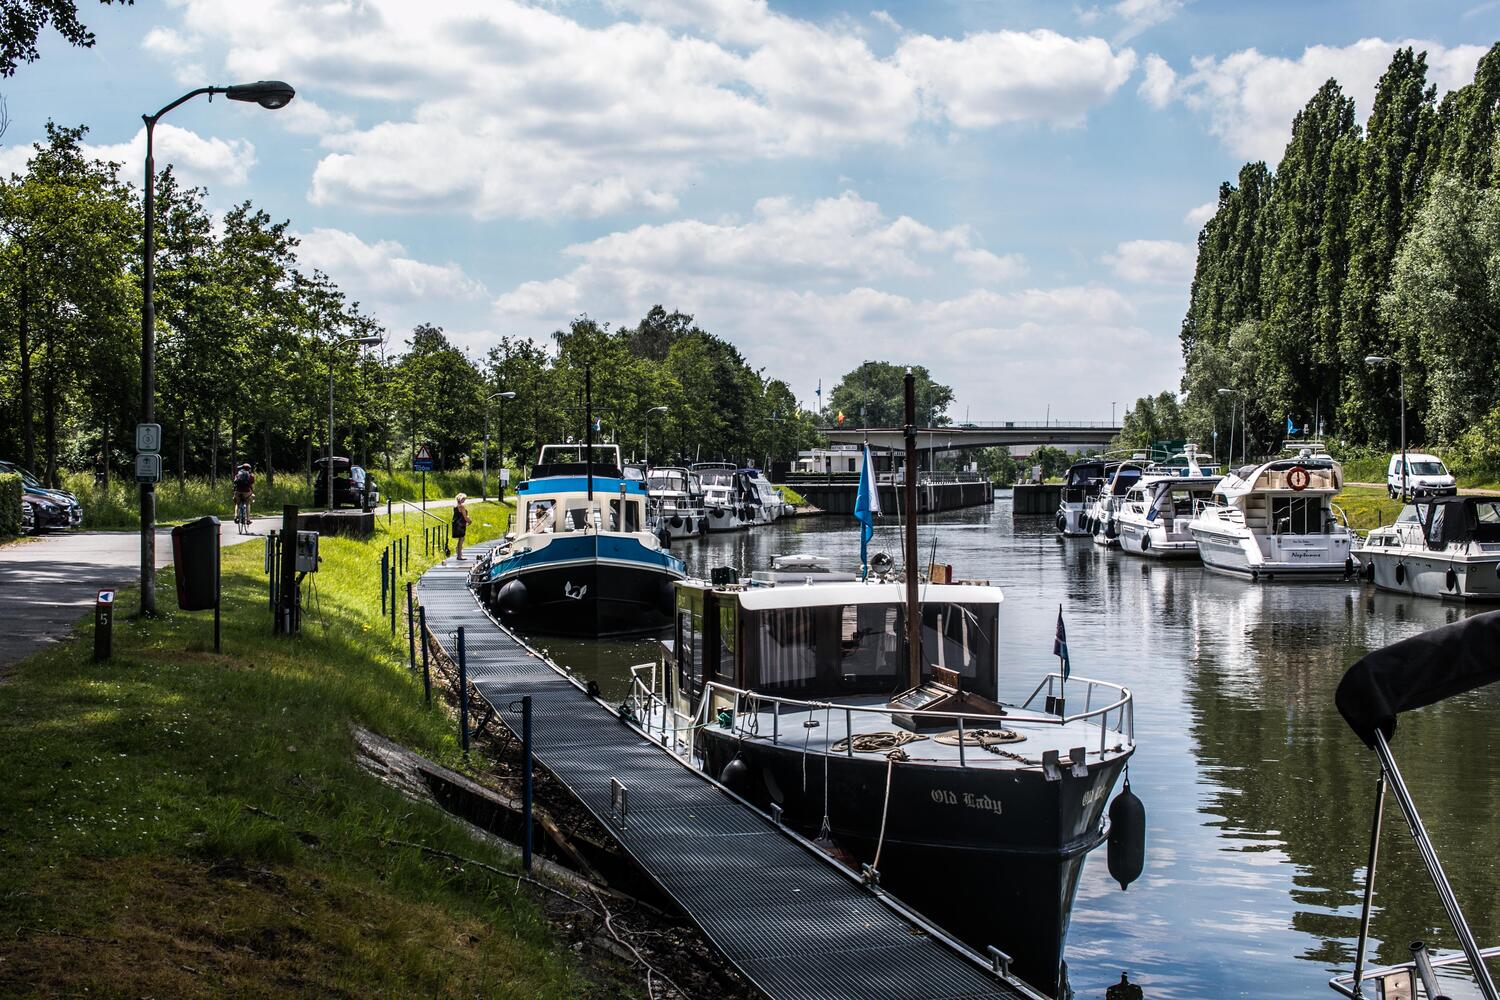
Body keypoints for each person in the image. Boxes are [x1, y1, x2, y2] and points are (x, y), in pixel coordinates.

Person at [232, 463, 255, 530]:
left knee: (237, 503)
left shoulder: (238, 475)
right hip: (246, 492)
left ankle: (236, 516)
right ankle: (248, 519)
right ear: (249, 469)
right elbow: (251, 484)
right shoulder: (250, 476)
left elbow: (235, 483)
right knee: (248, 503)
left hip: (238, 492)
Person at [452, 493, 472, 559]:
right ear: (461, 499)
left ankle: (459, 553)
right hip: (460, 524)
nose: (464, 500)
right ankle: (459, 555)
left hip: (456, 523)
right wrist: (470, 521)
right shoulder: (462, 506)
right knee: (461, 539)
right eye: (464, 499)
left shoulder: (455, 506)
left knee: (461, 539)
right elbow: (465, 517)